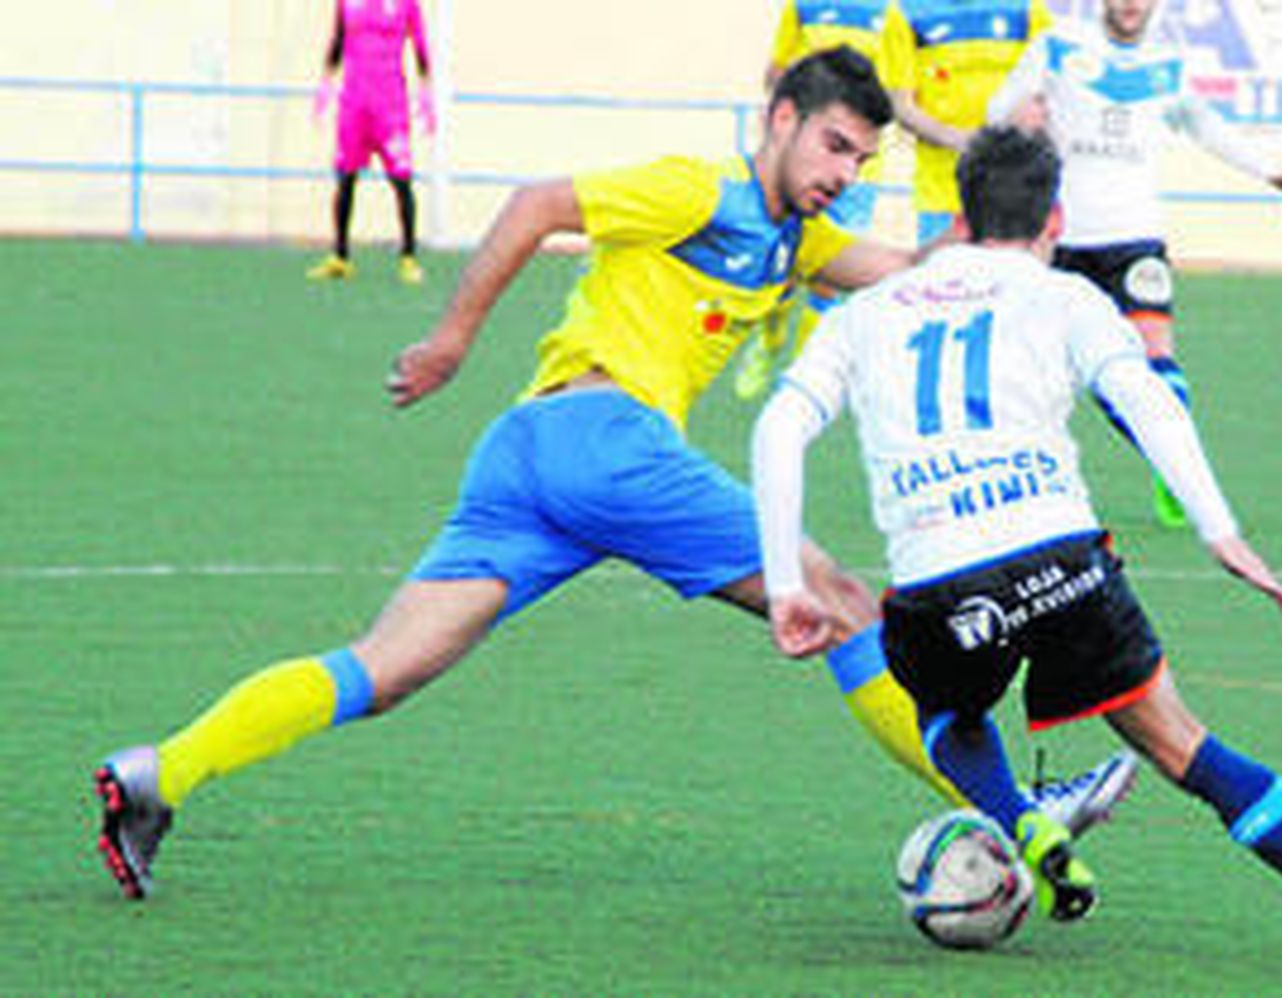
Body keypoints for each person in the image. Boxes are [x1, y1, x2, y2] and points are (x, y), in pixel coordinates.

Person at [92, 49, 1126, 904]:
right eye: (832, 144)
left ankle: (158, 772)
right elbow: (540, 202)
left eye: (860, 156)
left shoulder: (796, 237)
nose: (843, 169)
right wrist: (453, 335)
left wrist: (996, 237)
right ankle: (1023, 819)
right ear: (780, 118)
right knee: (844, 602)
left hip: (529, 459)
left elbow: (906, 274)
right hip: (605, 444)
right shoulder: (696, 190)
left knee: (385, 667)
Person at [751, 124, 1282, 967]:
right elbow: (1146, 396)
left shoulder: (866, 312)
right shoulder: (1067, 298)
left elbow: (779, 428)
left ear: (961, 215)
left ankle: (1021, 820)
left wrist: (784, 584)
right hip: (1063, 559)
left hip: (938, 579)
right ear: (1054, 219)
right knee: (1184, 746)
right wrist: (1221, 529)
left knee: (949, 718)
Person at [987, 0, 1282, 527]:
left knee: (1157, 361)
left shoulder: (1170, 67)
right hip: (1063, 240)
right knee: (1064, 374)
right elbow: (998, 112)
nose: (1132, 5)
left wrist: (1270, 171)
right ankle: (1033, 481)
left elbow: (1208, 128)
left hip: (1136, 239)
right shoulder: (1059, 48)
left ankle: (1173, 470)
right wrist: (1020, 118)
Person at [734, 0, 894, 401]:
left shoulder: (893, 12)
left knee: (827, 276)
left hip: (858, 176)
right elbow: (776, 70)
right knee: (782, 262)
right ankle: (769, 342)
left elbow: (896, 89)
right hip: (809, 160)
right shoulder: (804, 6)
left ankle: (801, 367)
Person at [881, 0, 1053, 245]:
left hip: (1017, 189)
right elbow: (900, 104)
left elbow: (1048, 88)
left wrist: (1007, 137)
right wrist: (959, 139)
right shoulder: (904, 13)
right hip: (942, 195)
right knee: (945, 280)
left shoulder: (1028, 8)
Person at [306, 0, 436, 285]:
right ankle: (340, 256)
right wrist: (325, 85)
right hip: (354, 101)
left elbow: (421, 46)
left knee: (401, 181)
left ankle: (409, 256)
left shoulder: (406, 4)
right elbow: (337, 40)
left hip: (390, 103)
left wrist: (426, 92)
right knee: (345, 178)